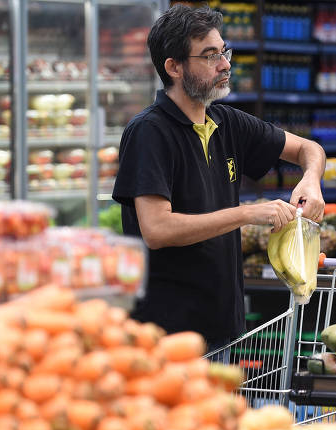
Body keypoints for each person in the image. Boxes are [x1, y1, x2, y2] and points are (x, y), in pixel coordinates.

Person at [112, 4, 325, 355]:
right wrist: (246, 213)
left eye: (224, 51)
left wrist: (311, 179)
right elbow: (157, 229)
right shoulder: (149, 132)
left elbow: (309, 149)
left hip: (223, 326)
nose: (225, 64)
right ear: (174, 67)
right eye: (210, 56)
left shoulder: (229, 122)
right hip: (168, 336)